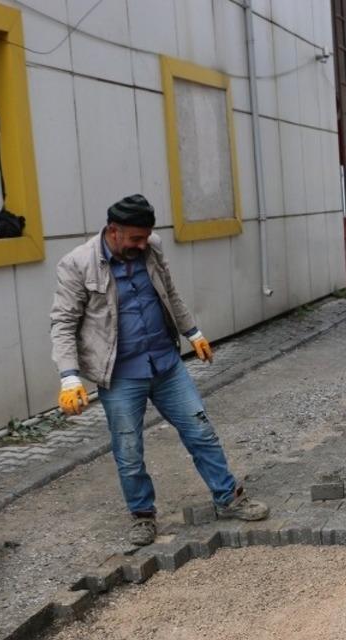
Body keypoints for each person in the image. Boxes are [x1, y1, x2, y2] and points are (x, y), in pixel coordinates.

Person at [50, 194, 268, 545]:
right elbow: (63, 323)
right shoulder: (77, 265)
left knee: (200, 431)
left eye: (146, 237)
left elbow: (169, 292)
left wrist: (192, 332)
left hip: (165, 364)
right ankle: (142, 516)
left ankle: (228, 498)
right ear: (113, 231)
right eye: (135, 238)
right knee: (129, 449)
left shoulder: (151, 246)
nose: (142, 244)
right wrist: (69, 376)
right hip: (119, 374)